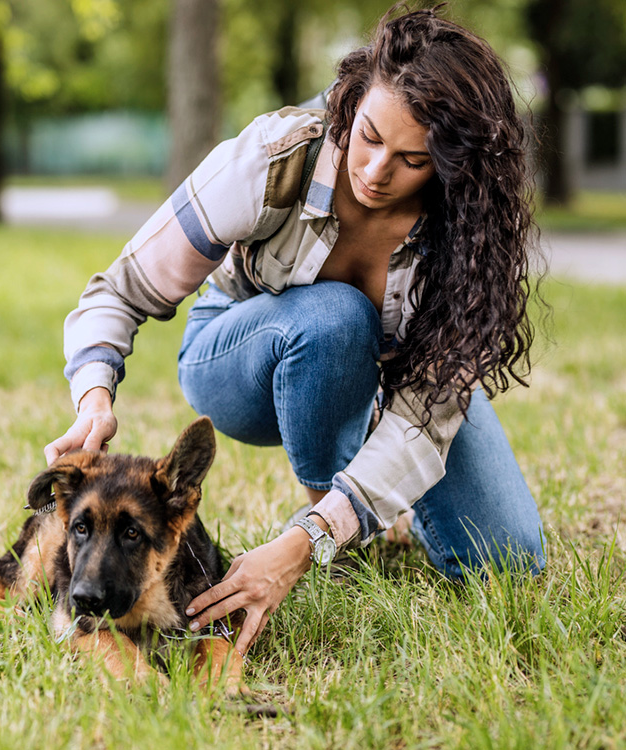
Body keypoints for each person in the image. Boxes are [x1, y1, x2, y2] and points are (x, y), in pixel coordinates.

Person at [44, 7, 547, 657]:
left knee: (507, 560)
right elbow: (119, 289)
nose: (373, 172)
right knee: (335, 315)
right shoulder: (275, 157)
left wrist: (302, 541)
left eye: (411, 160)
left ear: (452, 166)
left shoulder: (465, 240)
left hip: (389, 382)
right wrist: (94, 398)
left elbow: (426, 419)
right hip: (241, 355)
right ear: (355, 100)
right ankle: (336, 521)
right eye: (368, 136)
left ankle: (354, 515)